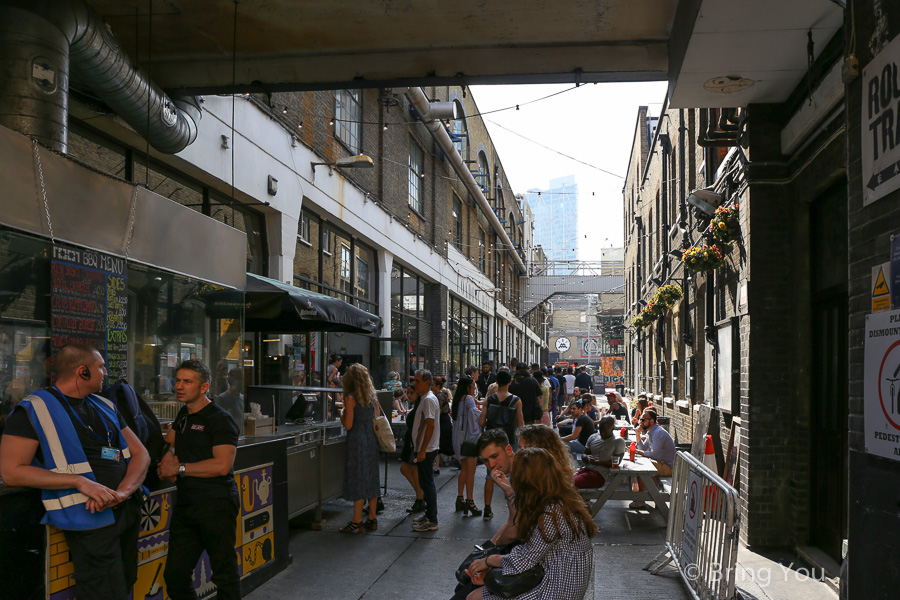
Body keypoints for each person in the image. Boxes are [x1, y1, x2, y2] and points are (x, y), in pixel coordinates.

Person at [0, 343, 150, 600]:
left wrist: (123, 492)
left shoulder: (106, 405)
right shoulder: (34, 409)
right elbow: (11, 472)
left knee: (125, 584)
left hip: (125, 511)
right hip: (88, 519)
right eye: (101, 367)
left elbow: (141, 455)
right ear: (83, 371)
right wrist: (80, 482)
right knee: (103, 592)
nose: (105, 373)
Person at [465, 447, 595, 600]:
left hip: (554, 591)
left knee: (474, 598)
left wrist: (488, 561)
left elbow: (524, 559)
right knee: (477, 594)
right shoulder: (562, 499)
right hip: (558, 582)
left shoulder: (552, 511)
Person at [159, 360, 240, 600]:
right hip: (187, 505)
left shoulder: (220, 419)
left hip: (216, 504)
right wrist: (166, 459)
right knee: (175, 576)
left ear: (203, 387)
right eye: (178, 381)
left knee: (224, 575)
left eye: (187, 381)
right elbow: (170, 442)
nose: (179, 386)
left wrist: (180, 467)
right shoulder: (184, 413)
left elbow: (222, 465)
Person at [336, 364, 381, 533]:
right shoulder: (372, 397)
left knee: (358, 478)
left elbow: (348, 425)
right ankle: (372, 517)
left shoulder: (350, 398)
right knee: (371, 477)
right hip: (371, 438)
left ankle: (356, 520)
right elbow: (376, 418)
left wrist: (341, 414)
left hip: (356, 440)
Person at [479, 370, 524, 521]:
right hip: (509, 441)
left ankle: (487, 509)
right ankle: (516, 508)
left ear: (496, 382)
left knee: (489, 477)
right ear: (510, 382)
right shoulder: (516, 400)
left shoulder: (489, 400)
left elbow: (481, 422)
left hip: (492, 442)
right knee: (515, 473)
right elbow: (520, 423)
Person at [411, 369, 441, 532]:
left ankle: (432, 519)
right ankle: (429, 515)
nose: (414, 383)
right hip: (425, 448)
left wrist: (422, 450)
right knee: (425, 483)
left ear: (427, 383)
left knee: (427, 484)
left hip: (427, 449)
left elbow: (430, 425)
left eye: (417, 381)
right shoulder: (425, 399)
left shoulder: (428, 400)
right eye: (414, 380)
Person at [476, 429, 517, 543]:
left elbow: (516, 528)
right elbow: (512, 520)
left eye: (495, 456)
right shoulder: (514, 472)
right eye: (485, 460)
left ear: (508, 450)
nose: (491, 465)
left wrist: (491, 550)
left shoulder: (524, 472)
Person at [631, 408, 676, 509]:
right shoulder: (652, 431)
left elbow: (654, 454)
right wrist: (638, 434)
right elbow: (643, 447)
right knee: (639, 465)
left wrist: (639, 452)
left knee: (641, 468)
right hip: (660, 463)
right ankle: (639, 497)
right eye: (641, 419)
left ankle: (640, 500)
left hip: (668, 466)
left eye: (643, 420)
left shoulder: (658, 433)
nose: (640, 422)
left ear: (651, 421)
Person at [451, 375, 482, 517]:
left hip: (459, 438)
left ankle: (460, 498)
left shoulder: (458, 399)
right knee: (471, 471)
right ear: (468, 387)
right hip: (469, 439)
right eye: (473, 385)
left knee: (464, 469)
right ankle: (470, 501)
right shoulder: (469, 399)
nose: (475, 387)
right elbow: (475, 415)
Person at [574, 416, 625, 489]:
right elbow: (584, 454)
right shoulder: (593, 437)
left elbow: (616, 463)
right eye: (601, 430)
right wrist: (586, 457)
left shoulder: (618, 441)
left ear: (612, 428)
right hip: (586, 469)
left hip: (599, 474)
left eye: (605, 432)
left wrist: (599, 462)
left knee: (570, 484)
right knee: (562, 480)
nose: (603, 434)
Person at [399, 383, 424, 513]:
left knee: (412, 469)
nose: (408, 395)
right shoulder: (417, 407)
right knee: (406, 469)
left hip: (413, 443)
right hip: (411, 442)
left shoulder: (420, 407)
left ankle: (420, 497)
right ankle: (420, 496)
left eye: (411, 393)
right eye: (407, 393)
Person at [433, 375, 454, 475]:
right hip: (442, 421)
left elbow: (439, 410)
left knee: (446, 447)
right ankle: (436, 468)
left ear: (437, 386)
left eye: (433, 384)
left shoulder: (439, 396)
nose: (431, 386)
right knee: (438, 446)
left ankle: (462, 461)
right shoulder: (440, 395)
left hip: (443, 422)